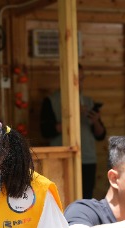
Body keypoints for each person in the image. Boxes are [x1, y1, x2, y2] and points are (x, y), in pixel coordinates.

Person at [40, 65, 106, 199]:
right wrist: (73, 115)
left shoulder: (88, 101)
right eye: (77, 79)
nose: (80, 83)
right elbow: (46, 131)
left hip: (87, 159)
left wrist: (96, 121)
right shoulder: (51, 101)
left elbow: (101, 135)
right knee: (61, 199)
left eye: (82, 79)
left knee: (86, 198)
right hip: (61, 159)